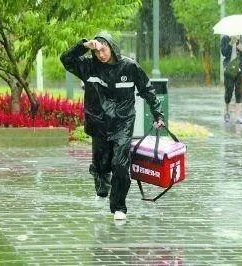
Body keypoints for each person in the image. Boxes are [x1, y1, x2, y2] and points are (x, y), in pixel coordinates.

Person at [60, 31, 164, 220]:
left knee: (120, 164)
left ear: (112, 46)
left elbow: (147, 89)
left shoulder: (129, 67)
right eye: (97, 51)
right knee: (101, 164)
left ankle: (118, 206)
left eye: (104, 49)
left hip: (122, 123)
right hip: (98, 121)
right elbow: (65, 59)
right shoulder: (88, 67)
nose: (101, 54)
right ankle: (101, 190)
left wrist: (158, 113)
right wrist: (84, 46)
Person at [221, 35, 242, 124]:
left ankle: (237, 116)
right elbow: (224, 53)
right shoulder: (226, 38)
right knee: (228, 91)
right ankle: (227, 112)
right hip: (229, 69)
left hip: (240, 69)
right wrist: (231, 43)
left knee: (239, 92)